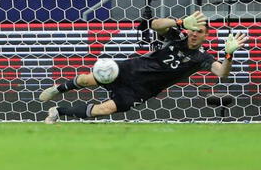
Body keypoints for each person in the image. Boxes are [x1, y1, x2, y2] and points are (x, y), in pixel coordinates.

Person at [39, 11, 248, 123]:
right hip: (130, 70)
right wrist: (181, 22)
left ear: (206, 36)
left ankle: (58, 112)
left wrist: (229, 55)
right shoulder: (176, 37)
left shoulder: (201, 58)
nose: (195, 33)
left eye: (200, 31)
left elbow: (222, 73)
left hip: (143, 90)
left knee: (105, 109)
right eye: (194, 29)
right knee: (88, 79)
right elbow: (155, 24)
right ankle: (57, 90)